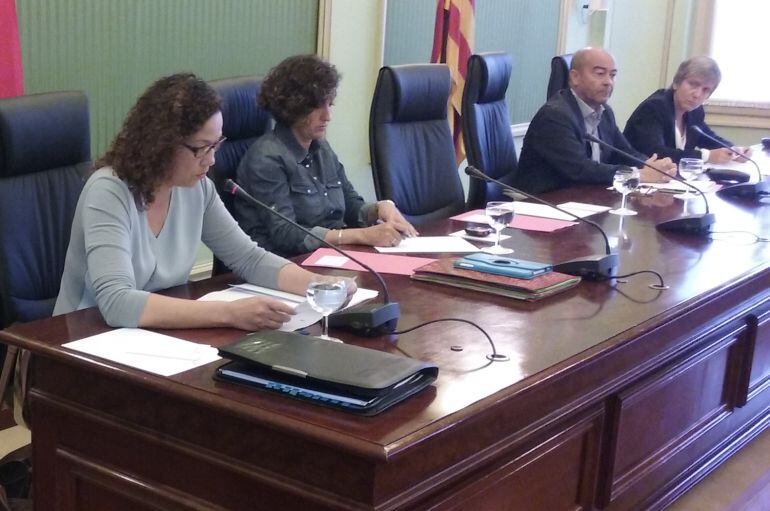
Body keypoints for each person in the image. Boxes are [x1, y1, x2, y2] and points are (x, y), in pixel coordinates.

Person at [54, 72, 351, 331]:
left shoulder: (197, 189)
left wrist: (318, 286)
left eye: (216, 145)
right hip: (82, 341)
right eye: (201, 148)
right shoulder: (110, 190)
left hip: (155, 335)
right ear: (162, 143)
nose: (211, 160)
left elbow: (249, 258)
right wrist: (229, 313)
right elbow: (116, 302)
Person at [235, 54, 417, 258]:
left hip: (332, 257)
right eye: (317, 107)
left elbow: (350, 203)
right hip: (286, 263)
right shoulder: (267, 158)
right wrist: (360, 236)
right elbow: (285, 234)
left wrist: (379, 209)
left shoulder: (321, 148)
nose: (327, 116)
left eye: (329, 104)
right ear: (294, 107)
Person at [516, 47, 676, 194]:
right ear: (575, 77)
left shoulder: (605, 113)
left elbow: (624, 152)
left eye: (612, 75)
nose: (608, 82)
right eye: (600, 74)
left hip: (584, 197)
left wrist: (651, 165)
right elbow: (580, 169)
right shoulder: (555, 116)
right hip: (545, 202)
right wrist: (637, 174)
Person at [624, 56, 751, 164]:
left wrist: (733, 150)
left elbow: (707, 138)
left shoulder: (695, 111)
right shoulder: (654, 107)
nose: (697, 94)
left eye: (705, 90)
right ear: (676, 83)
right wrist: (706, 156)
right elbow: (656, 153)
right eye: (693, 84)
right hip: (633, 181)